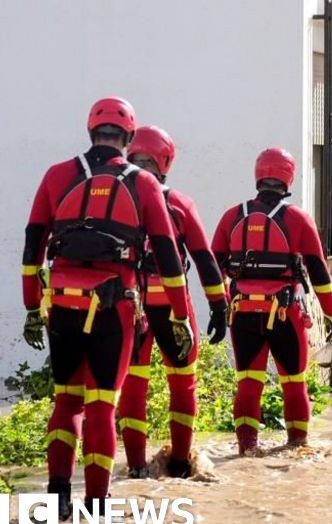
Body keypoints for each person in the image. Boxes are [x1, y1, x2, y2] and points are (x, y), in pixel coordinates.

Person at [21, 97, 194, 518]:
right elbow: (169, 257)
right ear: (129, 138)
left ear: (90, 132)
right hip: (114, 305)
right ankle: (96, 509)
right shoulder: (144, 183)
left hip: (61, 302)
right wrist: (180, 315)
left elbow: (31, 248)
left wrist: (30, 306)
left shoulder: (57, 175)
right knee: (101, 404)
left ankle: (58, 495)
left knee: (66, 401)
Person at [117, 125, 229, 479]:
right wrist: (219, 306)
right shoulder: (179, 203)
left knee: (133, 386)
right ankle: (181, 464)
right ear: (165, 161)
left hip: (129, 305)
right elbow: (204, 259)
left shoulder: (116, 199)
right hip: (171, 304)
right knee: (183, 384)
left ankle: (135, 468)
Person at [211, 148, 332, 455]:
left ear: (259, 175)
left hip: (241, 311)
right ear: (288, 177)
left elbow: (213, 264)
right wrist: (331, 313)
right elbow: (318, 270)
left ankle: (246, 449)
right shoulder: (297, 218)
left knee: (248, 382)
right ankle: (297, 446)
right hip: (284, 313)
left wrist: (219, 304)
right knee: (294, 382)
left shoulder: (232, 216)